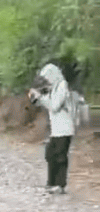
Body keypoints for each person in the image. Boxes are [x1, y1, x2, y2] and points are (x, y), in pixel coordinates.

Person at [28, 62, 75, 194]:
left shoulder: (62, 86)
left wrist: (41, 98)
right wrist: (37, 98)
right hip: (56, 130)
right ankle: (51, 183)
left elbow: (54, 106)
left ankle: (60, 185)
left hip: (65, 129)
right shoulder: (53, 88)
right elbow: (45, 103)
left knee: (60, 156)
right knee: (50, 154)